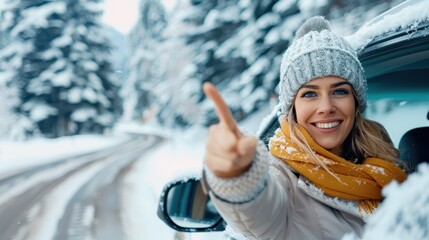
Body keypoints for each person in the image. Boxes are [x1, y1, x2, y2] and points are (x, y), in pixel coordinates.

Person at [201, 16, 407, 240]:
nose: (326, 107)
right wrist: (238, 174)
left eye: (339, 91)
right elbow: (258, 207)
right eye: (309, 94)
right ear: (293, 108)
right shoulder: (284, 183)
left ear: (355, 102)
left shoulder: (389, 161)